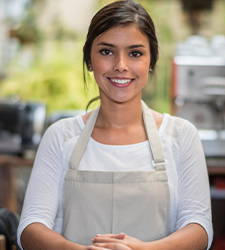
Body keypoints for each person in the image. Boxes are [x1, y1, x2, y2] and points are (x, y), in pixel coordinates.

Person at [17, 1, 213, 249]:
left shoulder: (181, 136)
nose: (121, 65)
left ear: (151, 62)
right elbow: (30, 229)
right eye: (107, 51)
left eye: (135, 53)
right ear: (89, 59)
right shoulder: (61, 136)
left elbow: (199, 230)